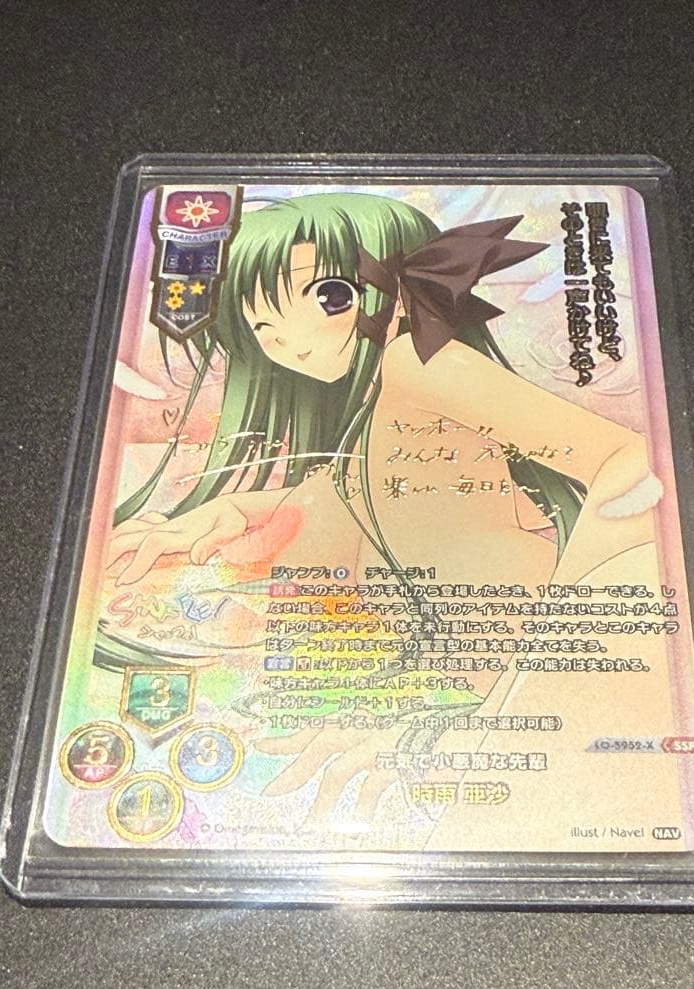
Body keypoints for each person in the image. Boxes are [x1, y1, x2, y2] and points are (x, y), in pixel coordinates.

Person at [108, 192, 660, 826]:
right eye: (262, 325)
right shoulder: (382, 393)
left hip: (519, 690)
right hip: (452, 678)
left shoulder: (417, 365)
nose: (285, 341)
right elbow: (379, 486)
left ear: (402, 291)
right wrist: (240, 508)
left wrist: (501, 710)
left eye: (325, 297)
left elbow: (628, 462)